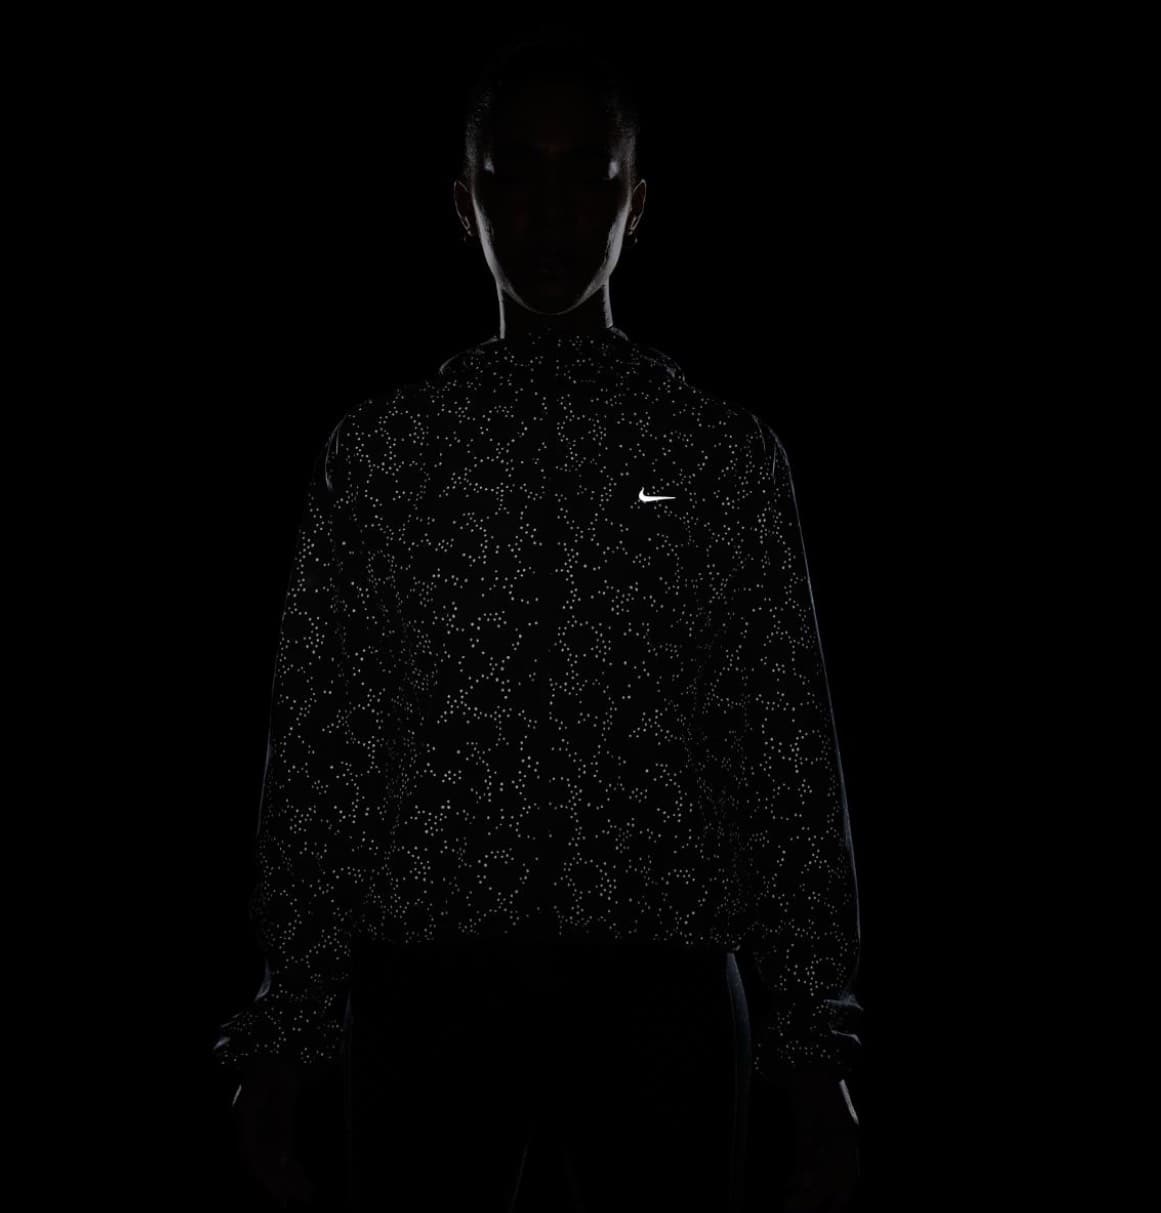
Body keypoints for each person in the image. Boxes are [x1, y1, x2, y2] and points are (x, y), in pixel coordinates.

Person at [212, 27, 864, 1213]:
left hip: (664, 981)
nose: (553, 210)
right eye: (514, 172)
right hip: (427, 983)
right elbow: (323, 750)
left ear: (636, 201)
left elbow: (779, 745)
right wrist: (286, 1028)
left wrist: (813, 1041)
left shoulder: (718, 456)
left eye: (589, 174)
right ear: (465, 203)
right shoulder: (386, 455)